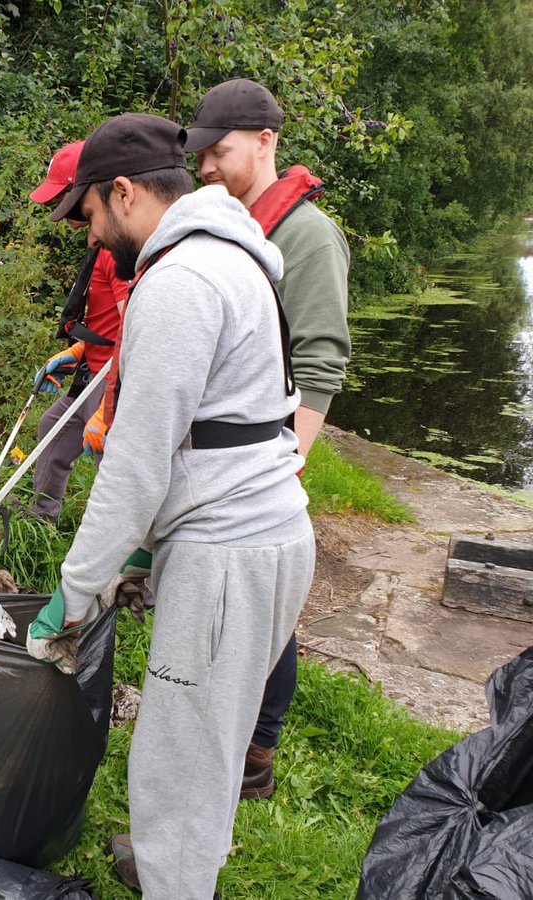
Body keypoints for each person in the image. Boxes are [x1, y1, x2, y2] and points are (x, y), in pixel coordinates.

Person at [25, 113, 315, 898]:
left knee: (177, 753)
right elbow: (226, 426)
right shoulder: (234, 257)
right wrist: (148, 550)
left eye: (89, 216)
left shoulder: (179, 283)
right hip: (269, 531)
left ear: (123, 192)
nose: (92, 238)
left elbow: (137, 461)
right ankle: (186, 864)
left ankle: (177, 879)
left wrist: (74, 591)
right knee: (211, 737)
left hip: (230, 554)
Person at [185, 78, 351, 799]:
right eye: (201, 157)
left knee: (267, 605)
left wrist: (290, 459)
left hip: (269, 451)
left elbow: (321, 356)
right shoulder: (229, 225)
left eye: (220, 153)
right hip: (224, 450)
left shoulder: (306, 235)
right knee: (234, 597)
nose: (208, 170)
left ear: (265, 143)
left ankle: (257, 749)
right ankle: (225, 726)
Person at [27, 141, 131, 521]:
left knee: (113, 468)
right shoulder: (97, 243)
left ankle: (127, 566)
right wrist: (77, 352)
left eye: (63, 197)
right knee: (51, 429)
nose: (59, 210)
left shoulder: (116, 251)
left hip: (111, 379)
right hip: (93, 368)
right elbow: (106, 319)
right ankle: (39, 523)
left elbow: (133, 324)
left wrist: (107, 409)